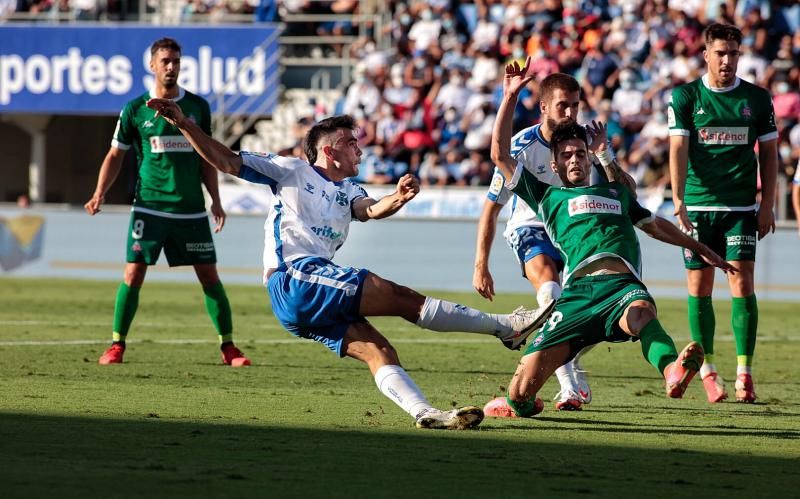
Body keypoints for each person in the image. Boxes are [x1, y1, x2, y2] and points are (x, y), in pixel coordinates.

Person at [143, 101, 554, 430]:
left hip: (309, 295)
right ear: (328, 149)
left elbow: (370, 209)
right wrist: (185, 124)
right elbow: (227, 161)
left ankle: (425, 413)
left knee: (379, 349)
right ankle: (505, 327)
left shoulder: (348, 189)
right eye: (350, 142)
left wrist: (399, 197)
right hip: (295, 278)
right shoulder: (291, 170)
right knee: (396, 295)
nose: (359, 148)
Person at [485, 59, 738, 418]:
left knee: (642, 314)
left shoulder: (615, 193)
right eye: (566, 155)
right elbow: (499, 155)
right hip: (576, 296)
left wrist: (700, 247)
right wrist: (509, 97)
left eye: (580, 154)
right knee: (521, 392)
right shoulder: (546, 196)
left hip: (621, 287)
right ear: (555, 165)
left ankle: (672, 369)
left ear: (589, 159)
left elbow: (654, 224)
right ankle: (517, 403)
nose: (575, 159)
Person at [473, 72, 636, 412]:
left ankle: (562, 364)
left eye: (575, 106)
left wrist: (604, 156)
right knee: (549, 290)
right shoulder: (522, 146)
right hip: (532, 227)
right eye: (563, 105)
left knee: (582, 310)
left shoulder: (585, 144)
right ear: (544, 106)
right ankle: (570, 386)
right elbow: (491, 208)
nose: (570, 113)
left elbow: (625, 193)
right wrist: (481, 265)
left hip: (578, 232)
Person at [84, 38, 249, 368]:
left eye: (176, 60)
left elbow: (207, 158)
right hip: (149, 206)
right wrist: (100, 191)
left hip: (190, 208)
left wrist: (215, 200)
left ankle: (229, 348)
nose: (171, 66)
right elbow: (116, 154)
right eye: (165, 61)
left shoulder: (198, 108)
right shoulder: (134, 109)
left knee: (209, 276)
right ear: (152, 65)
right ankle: (117, 345)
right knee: (133, 274)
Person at [668, 23, 778, 403]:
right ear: (706, 55)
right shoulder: (685, 97)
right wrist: (678, 197)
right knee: (699, 288)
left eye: (733, 53)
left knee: (741, 283)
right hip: (698, 208)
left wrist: (768, 204)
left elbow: (769, 154)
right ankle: (708, 371)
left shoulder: (757, 100)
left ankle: (744, 373)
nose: (727, 60)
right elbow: (678, 149)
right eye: (720, 53)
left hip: (740, 208)